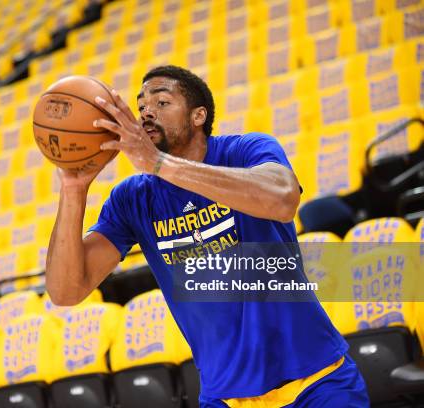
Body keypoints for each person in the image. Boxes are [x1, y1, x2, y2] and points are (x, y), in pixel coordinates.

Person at [45, 65, 369, 407]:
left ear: (198, 115)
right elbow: (66, 291)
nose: (146, 113)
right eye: (141, 107)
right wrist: (74, 187)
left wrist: (158, 163)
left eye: (162, 102)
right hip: (225, 397)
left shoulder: (246, 151)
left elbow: (283, 199)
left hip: (316, 380)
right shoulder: (132, 199)